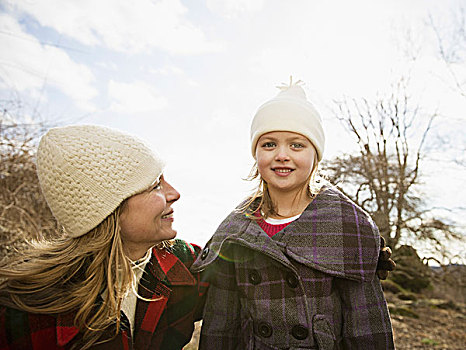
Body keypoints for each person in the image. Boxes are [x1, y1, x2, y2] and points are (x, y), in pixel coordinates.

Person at [191, 79, 395, 349]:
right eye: (269, 144)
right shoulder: (234, 233)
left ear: (315, 155)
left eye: (297, 145)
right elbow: (220, 327)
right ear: (256, 153)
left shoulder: (348, 227)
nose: (282, 155)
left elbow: (368, 332)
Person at [0, 125, 206, 349]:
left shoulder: (184, 265)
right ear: (109, 211)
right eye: (156, 185)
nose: (174, 194)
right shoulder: (24, 310)